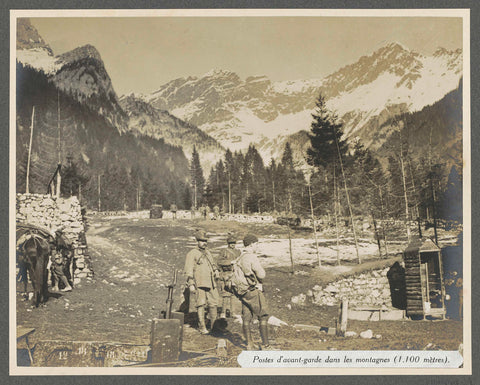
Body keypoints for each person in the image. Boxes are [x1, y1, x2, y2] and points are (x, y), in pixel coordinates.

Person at [236, 233, 272, 350]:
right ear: (251, 244)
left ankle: (249, 344)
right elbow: (262, 274)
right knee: (263, 315)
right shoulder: (251, 257)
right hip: (252, 290)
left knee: (246, 317)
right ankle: (266, 345)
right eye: (256, 244)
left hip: (242, 291)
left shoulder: (240, 257)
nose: (257, 246)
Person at [184, 230, 220, 334]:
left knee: (213, 303)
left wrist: (216, 271)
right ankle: (202, 327)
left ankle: (214, 327)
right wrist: (191, 283)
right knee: (201, 304)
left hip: (211, 282)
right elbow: (189, 269)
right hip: (199, 282)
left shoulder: (208, 252)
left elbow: (213, 264)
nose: (204, 243)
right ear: (197, 241)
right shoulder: (192, 253)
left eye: (205, 241)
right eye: (202, 241)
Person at [217, 235, 241, 318]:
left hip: (234, 274)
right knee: (225, 294)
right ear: (228, 243)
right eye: (231, 243)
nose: (232, 245)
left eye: (234, 243)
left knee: (233, 294)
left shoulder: (238, 252)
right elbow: (219, 262)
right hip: (226, 274)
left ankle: (233, 313)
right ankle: (223, 313)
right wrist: (230, 262)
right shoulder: (224, 251)